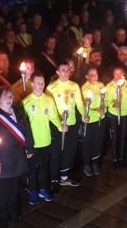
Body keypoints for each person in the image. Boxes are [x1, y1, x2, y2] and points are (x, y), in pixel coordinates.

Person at [0, 87, 30, 227]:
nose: (10, 99)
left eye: (11, 96)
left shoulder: (17, 110)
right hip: (4, 162)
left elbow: (25, 129)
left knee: (15, 189)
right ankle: (2, 219)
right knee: (4, 194)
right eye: (6, 97)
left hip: (17, 159)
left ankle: (12, 214)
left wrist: (29, 148)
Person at [22, 71, 60, 204]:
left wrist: (61, 126)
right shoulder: (25, 102)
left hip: (45, 140)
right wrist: (26, 145)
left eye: (42, 83)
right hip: (32, 144)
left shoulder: (48, 99)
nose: (41, 86)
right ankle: (32, 191)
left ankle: (43, 188)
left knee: (44, 167)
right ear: (32, 84)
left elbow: (54, 117)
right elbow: (23, 125)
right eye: (38, 83)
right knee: (32, 169)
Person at [46, 60, 83, 189]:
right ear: (57, 72)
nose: (66, 73)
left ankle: (64, 176)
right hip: (58, 125)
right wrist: (58, 123)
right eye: (63, 70)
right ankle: (54, 179)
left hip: (71, 123)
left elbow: (79, 103)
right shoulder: (51, 88)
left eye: (68, 70)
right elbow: (50, 108)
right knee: (57, 151)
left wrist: (84, 115)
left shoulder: (74, 85)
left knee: (70, 150)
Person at [106, 66, 127, 168]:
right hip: (114, 114)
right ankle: (115, 158)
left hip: (125, 114)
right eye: (115, 73)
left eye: (120, 73)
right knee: (114, 137)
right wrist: (114, 103)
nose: (118, 76)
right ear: (113, 74)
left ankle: (121, 158)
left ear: (123, 73)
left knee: (123, 136)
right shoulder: (109, 86)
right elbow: (107, 100)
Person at [80, 67, 106, 177]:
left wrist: (104, 109)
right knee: (87, 143)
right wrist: (96, 112)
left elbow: (106, 100)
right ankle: (87, 164)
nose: (94, 77)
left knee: (98, 142)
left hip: (100, 119)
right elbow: (83, 106)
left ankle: (95, 163)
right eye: (91, 75)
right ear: (86, 76)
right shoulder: (84, 88)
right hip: (89, 120)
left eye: (95, 74)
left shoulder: (101, 85)